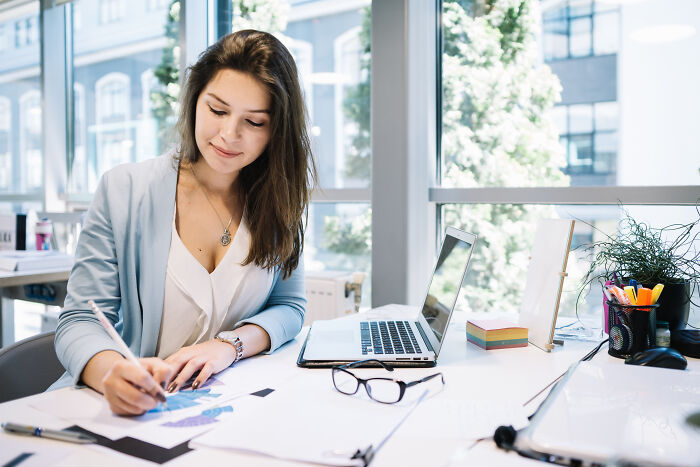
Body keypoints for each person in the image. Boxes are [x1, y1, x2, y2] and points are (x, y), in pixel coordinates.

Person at [51, 29, 316, 415]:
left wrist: (229, 346)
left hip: (220, 412)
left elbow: (289, 308)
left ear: (276, 130)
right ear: (195, 101)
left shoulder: (279, 200)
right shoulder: (125, 189)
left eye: (254, 122)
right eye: (218, 110)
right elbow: (79, 320)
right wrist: (112, 374)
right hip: (124, 415)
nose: (229, 135)